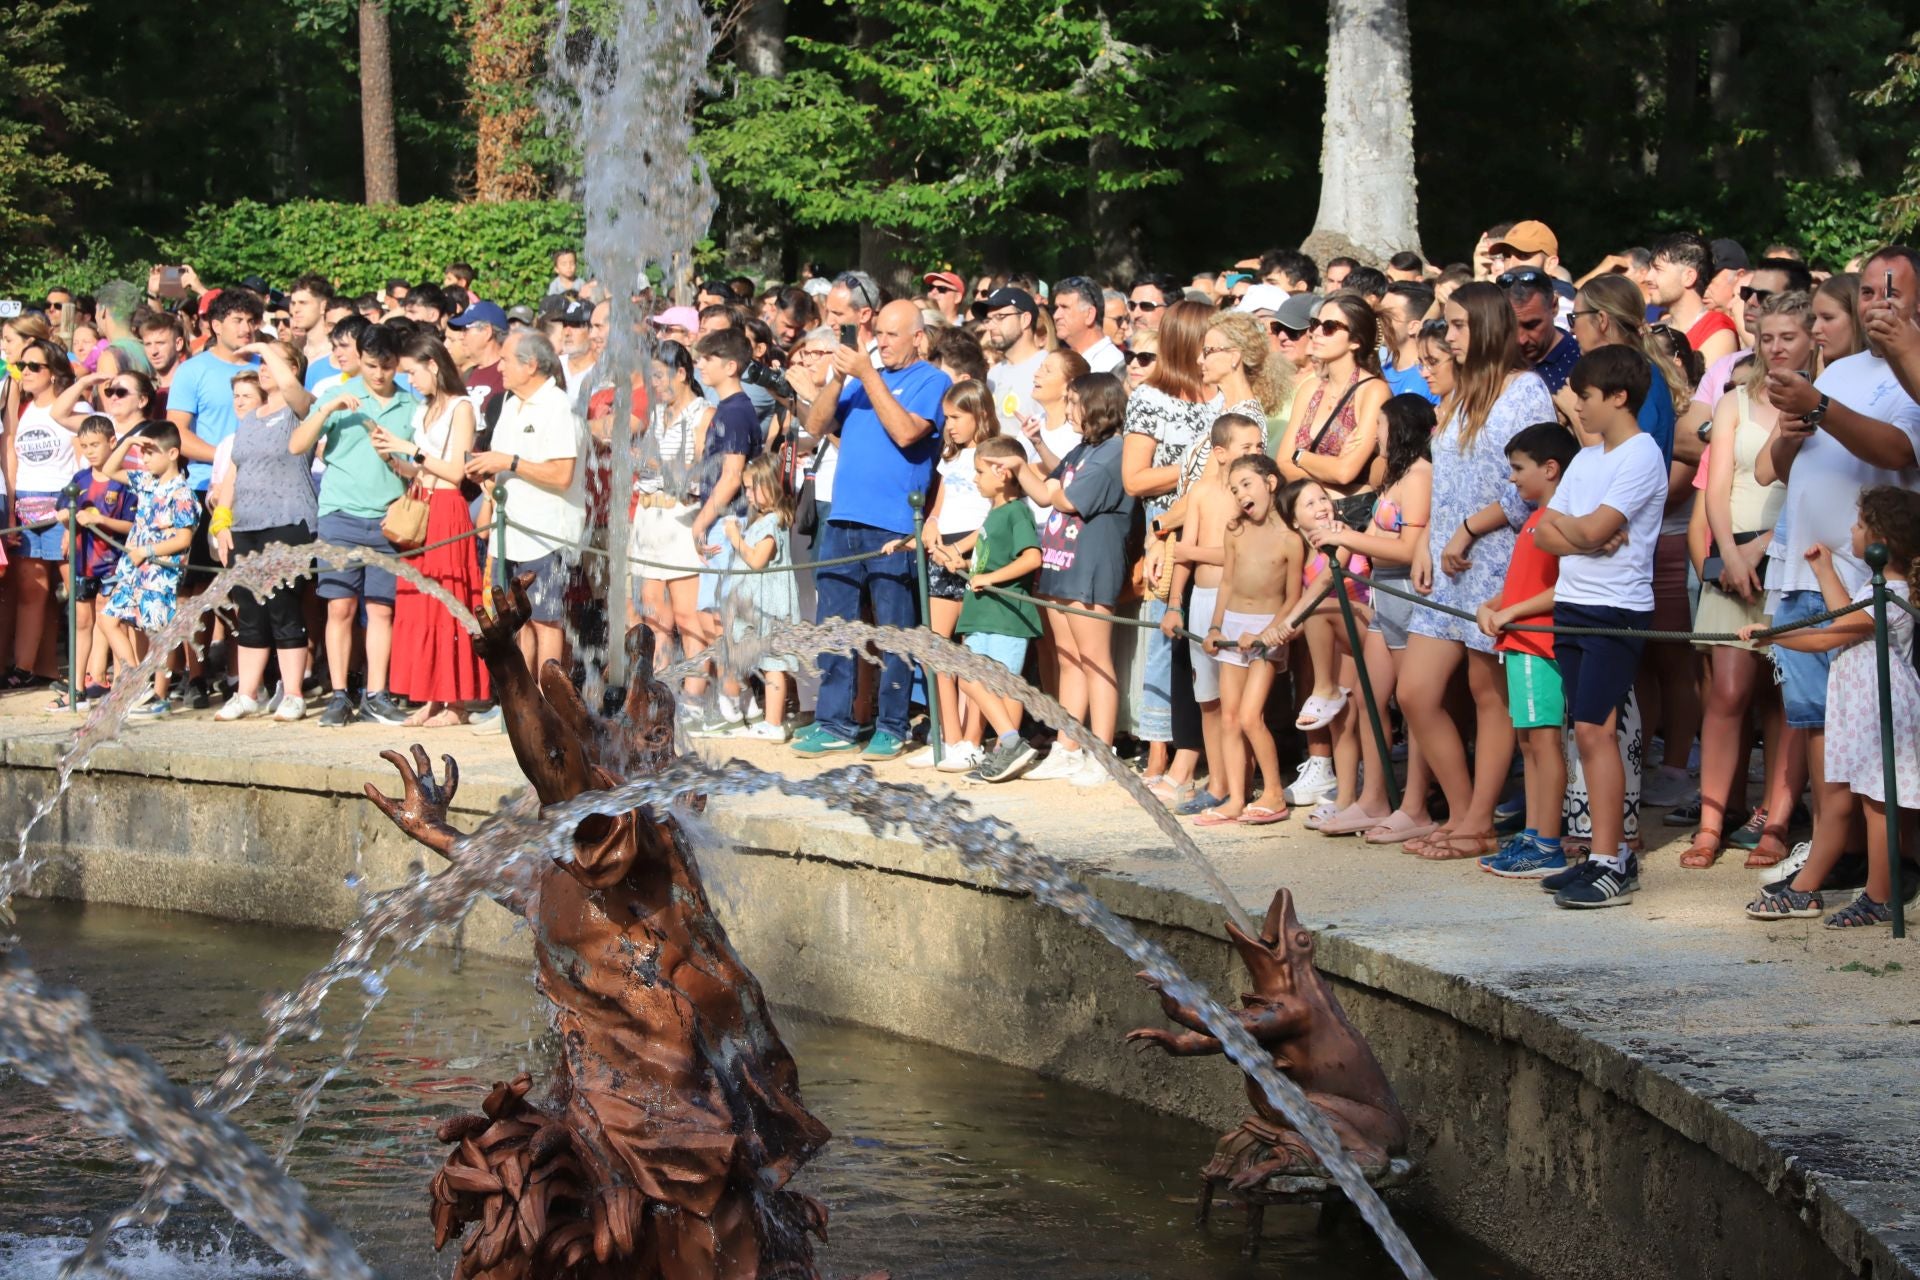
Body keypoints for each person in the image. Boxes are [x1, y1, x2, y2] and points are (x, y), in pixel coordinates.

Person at [1753, 246, 1920, 895]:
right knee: (1820, 726)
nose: (1878, 304)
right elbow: (1777, 470)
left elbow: (1899, 450)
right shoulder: (1841, 369)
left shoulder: (1904, 372)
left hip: (1864, 579)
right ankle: (1837, 849)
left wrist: (1819, 405)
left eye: (1891, 291)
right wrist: (1792, 428)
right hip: (1805, 569)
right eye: (1869, 293)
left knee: (1873, 732)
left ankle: (1883, 865)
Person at [1398, 283, 1555, 859]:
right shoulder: (1461, 393)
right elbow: (1445, 481)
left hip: (1496, 558)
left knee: (1488, 694)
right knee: (1415, 692)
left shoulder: (1526, 391)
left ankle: (1478, 821)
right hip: (1447, 562)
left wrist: (1466, 529)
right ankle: (1465, 811)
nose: (1451, 336)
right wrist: (1426, 541)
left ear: (1487, 326)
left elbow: (1527, 489)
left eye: (1460, 325)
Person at [1531, 347, 1670, 908]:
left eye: (1584, 396)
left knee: (1595, 730)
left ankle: (1612, 859)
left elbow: (1588, 531)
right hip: (1573, 603)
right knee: (1585, 731)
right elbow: (1545, 532)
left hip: (1615, 609)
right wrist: (1582, 532)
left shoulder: (1641, 454)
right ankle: (1601, 854)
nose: (1578, 406)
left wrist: (1581, 532)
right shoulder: (1587, 458)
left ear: (1618, 396)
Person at [1743, 488, 1920, 928]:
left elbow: (1830, 634)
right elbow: (1844, 620)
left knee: (1879, 804)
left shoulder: (1892, 593)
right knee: (1837, 799)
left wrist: (1773, 635)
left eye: (1859, 525)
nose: (1852, 531)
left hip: (1879, 707)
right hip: (1854, 707)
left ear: (1881, 540)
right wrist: (1823, 569)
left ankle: (1880, 896)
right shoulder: (1874, 588)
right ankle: (1806, 888)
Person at [792, 300, 950, 760]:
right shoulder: (861, 379)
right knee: (834, 627)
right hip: (842, 518)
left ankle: (893, 726)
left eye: (892, 335)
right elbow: (816, 425)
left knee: (894, 631)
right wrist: (839, 378)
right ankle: (834, 723)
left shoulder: (931, 381)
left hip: (893, 527)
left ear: (918, 337)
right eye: (878, 334)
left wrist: (867, 374)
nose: (882, 343)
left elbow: (906, 432)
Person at [1684, 291, 1806, 870]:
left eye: (1788, 337)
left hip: (1791, 557)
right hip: (1732, 560)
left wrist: (1763, 546)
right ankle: (1710, 822)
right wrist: (1730, 553)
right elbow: (1716, 487)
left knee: (1786, 698)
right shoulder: (1732, 400)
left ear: (1810, 340)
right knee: (1728, 693)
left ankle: (1776, 821)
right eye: (1768, 336)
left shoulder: (1822, 403)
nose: (1775, 347)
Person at [1301, 395, 1436, 840]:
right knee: (1365, 697)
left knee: (1415, 706)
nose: (1374, 435)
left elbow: (1409, 549)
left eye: (1379, 425)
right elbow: (1376, 536)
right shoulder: (1395, 475)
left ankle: (1415, 806)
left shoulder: (1420, 475)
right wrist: (1346, 536)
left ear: (1400, 427)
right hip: (1384, 597)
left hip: (1408, 597)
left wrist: (1346, 537)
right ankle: (1374, 798)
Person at [290, 323, 419, 726]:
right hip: (339, 515)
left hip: (388, 519)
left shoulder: (411, 404)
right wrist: (326, 410)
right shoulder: (337, 395)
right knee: (340, 606)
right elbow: (296, 446)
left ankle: (376, 695)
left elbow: (420, 467)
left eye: (387, 366)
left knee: (381, 610)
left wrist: (400, 461)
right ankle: (339, 694)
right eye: (371, 365)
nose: (379, 374)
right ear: (359, 359)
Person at [1474, 423, 1580, 878]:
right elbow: (1526, 584)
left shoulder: (1559, 519)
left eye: (1519, 468)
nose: (1512, 477)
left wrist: (1511, 612)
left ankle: (1546, 842)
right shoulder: (1538, 517)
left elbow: (1565, 587)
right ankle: (1535, 833)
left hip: (1538, 643)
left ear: (1550, 468)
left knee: (1543, 741)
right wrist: (1493, 605)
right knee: (1528, 741)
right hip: (1520, 641)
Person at [1018, 373, 1135, 785]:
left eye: (1073, 401)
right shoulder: (1084, 448)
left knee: (1094, 660)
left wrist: (1051, 486)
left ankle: (1103, 752)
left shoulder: (1115, 450)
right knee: (1068, 660)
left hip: (1091, 565)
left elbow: (1065, 498)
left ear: (1096, 405)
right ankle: (1068, 745)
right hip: (1060, 562)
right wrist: (1026, 455)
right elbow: (1044, 489)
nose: (1066, 409)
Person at [1122, 300, 1221, 782]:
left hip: (1218, 524)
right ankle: (1159, 748)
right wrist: (1200, 467)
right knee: (1165, 636)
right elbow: (1134, 479)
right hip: (1166, 527)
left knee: (1207, 635)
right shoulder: (1150, 396)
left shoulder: (1224, 396)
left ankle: (1206, 748)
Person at [371, 332, 490, 726]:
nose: (409, 380)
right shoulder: (424, 409)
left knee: (448, 602)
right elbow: (420, 469)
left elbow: (456, 472)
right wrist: (393, 459)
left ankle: (456, 702)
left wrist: (412, 450)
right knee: (420, 605)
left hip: (448, 509)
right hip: (422, 504)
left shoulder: (461, 407)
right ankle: (432, 697)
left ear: (433, 365)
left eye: (412, 372)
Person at [1159, 412, 1269, 813]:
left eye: (1259, 446)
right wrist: (1175, 604)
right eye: (1247, 446)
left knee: (1236, 702)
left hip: (1239, 602)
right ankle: (1219, 781)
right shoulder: (1202, 493)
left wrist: (1191, 550)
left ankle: (1241, 782)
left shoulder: (1255, 495)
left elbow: (1244, 553)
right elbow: (1182, 556)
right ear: (1220, 453)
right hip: (1203, 599)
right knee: (1208, 699)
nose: (1256, 452)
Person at [465, 331, 588, 680]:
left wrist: (509, 462)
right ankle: (525, 698)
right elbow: (504, 464)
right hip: (510, 534)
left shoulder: (559, 407)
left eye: (505, 360)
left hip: (547, 535)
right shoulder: (509, 403)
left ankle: (549, 700)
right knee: (519, 623)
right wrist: (486, 472)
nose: (498, 367)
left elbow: (562, 475)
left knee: (546, 622)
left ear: (530, 365)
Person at [209, 342, 316, 721]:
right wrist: (222, 522)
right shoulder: (250, 418)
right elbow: (234, 472)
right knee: (250, 610)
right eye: (261, 362)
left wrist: (262, 345)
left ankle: (294, 693)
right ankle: (247, 693)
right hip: (246, 526)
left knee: (283, 607)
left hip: (288, 521)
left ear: (293, 369)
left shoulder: (300, 409)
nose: (264, 367)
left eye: (273, 362)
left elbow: (292, 391)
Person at [1194, 454, 1298, 825]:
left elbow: (1293, 597)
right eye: (1235, 489)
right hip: (1233, 628)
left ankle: (1274, 793)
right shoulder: (1234, 531)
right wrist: (1215, 628)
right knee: (1229, 717)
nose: (1240, 495)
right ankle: (1236, 798)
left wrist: (1269, 633)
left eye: (1246, 485)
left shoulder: (1290, 538)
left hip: (1268, 632)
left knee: (1252, 716)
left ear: (1270, 483)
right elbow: (1227, 582)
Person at [911, 379, 1004, 772]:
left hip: (973, 553)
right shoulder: (950, 457)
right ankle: (949, 737)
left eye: (955, 417)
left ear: (979, 415)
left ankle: (972, 739)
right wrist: (932, 522)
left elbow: (994, 514)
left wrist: (962, 549)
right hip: (943, 549)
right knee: (935, 648)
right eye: (946, 418)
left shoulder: (993, 454)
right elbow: (942, 499)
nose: (948, 425)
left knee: (972, 651)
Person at [945, 435, 1045, 784]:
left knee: (1001, 685)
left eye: (980, 471)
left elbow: (1031, 558)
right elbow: (990, 555)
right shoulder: (996, 513)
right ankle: (1009, 744)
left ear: (1002, 474)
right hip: (982, 615)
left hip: (1004, 617)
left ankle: (1009, 747)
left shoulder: (1018, 512)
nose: (975, 479)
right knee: (971, 678)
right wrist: (964, 562)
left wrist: (989, 578)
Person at [685, 327, 764, 734]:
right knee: (712, 618)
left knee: (722, 619)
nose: (700, 365)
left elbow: (733, 475)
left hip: (728, 522)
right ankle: (740, 697)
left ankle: (731, 701)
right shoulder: (728, 408)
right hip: (721, 521)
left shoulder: (734, 411)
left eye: (708, 359)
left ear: (730, 366)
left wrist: (702, 520)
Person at [97, 423, 198, 718]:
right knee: (108, 619)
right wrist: (129, 442)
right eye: (143, 453)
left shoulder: (182, 493)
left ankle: (159, 695)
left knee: (158, 634)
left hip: (160, 572)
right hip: (134, 570)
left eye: (150, 453)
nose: (144, 459)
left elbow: (183, 538)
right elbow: (109, 469)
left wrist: (147, 551)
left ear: (173, 453)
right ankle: (138, 683)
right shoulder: (146, 481)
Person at [628, 340, 710, 684]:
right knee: (654, 615)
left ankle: (695, 694)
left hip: (680, 517)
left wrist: (656, 464)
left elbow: (702, 473)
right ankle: (660, 691)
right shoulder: (657, 414)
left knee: (688, 616)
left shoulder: (704, 414)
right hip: (648, 516)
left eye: (660, 376)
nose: (655, 384)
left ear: (681, 373)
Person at [4, 338, 83, 686]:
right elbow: (11, 457)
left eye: (34, 366)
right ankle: (24, 669)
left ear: (53, 372)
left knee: (77, 592)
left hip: (62, 503)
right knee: (31, 592)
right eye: (22, 366)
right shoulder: (20, 408)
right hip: (25, 504)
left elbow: (83, 463)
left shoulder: (73, 407)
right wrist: (11, 511)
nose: (26, 372)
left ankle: (83, 673)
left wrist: (74, 515)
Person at [708, 453, 802, 742]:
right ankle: (749, 710)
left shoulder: (772, 522)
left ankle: (773, 724)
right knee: (751, 658)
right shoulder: (762, 520)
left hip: (770, 606)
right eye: (746, 488)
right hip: (755, 604)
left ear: (771, 486)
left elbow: (758, 561)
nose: (747, 495)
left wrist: (735, 538)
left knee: (774, 665)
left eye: (752, 488)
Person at [52, 417, 135, 707]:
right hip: (83, 562)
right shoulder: (79, 480)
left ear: (112, 442)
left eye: (95, 445)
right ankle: (76, 688)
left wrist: (99, 520)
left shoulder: (124, 482)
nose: (89, 451)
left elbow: (132, 525)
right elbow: (62, 511)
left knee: (114, 622)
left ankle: (124, 688)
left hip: (113, 563)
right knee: (81, 622)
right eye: (84, 445)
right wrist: (65, 518)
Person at [1649, 232, 1739, 365]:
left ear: (1688, 277)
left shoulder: (1717, 331)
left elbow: (1705, 380)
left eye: (1658, 269)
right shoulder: (1656, 330)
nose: (1648, 277)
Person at [980, 287, 1046, 434]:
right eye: (988, 319)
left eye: (1000, 316)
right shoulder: (993, 373)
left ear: (1025, 319)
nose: (990, 326)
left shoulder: (1048, 368)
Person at [1504, 268, 1580, 393]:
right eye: (1510, 327)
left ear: (1554, 306)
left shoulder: (1583, 363)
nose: (1521, 339)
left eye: (1531, 325)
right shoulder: (1492, 361)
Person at [1051, 276, 1125, 374]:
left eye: (1065, 307)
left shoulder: (1112, 366)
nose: (1056, 316)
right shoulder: (1060, 360)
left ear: (1089, 315)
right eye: (1056, 308)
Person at [1377, 282, 1436, 404]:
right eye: (1379, 314)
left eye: (1387, 315)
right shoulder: (1380, 371)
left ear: (1414, 327)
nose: (1379, 321)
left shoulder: (1430, 379)